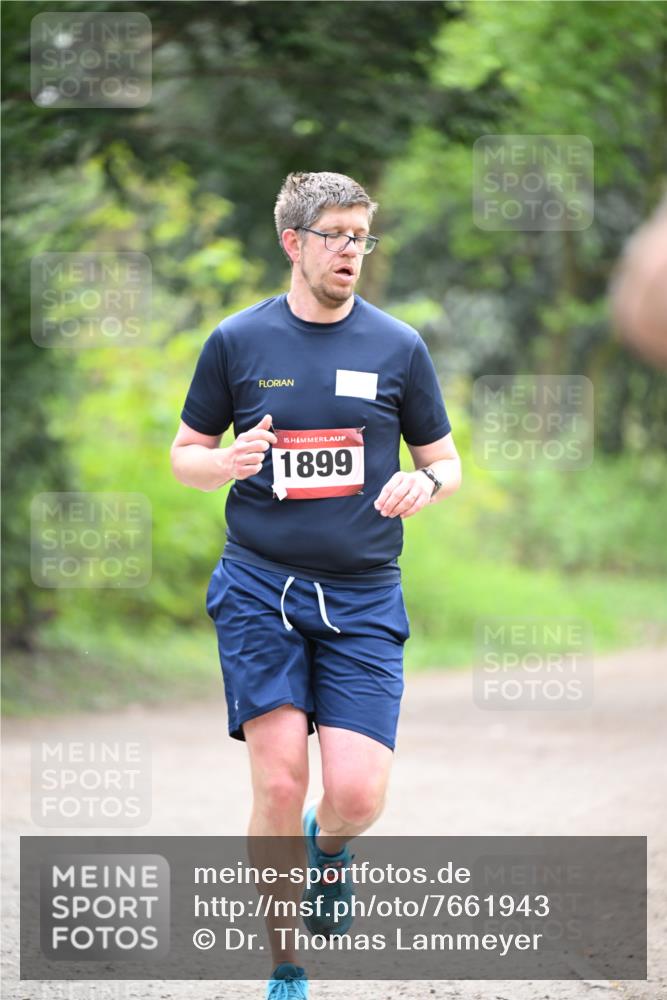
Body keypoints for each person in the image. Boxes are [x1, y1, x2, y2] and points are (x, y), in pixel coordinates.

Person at [170, 171, 462, 999]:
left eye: (362, 236)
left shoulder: (398, 346)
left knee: (357, 795)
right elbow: (185, 452)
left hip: (364, 595)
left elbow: (445, 461)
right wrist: (220, 464)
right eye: (335, 235)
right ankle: (284, 964)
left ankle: (328, 849)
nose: (351, 252)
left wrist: (426, 486)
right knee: (277, 780)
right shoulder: (237, 341)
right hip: (261, 586)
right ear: (293, 243)